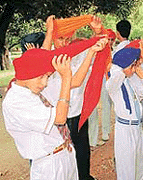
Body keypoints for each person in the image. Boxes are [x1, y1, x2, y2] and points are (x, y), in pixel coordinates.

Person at [40, 15, 109, 180]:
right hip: (59, 121)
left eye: (67, 38)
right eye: (60, 39)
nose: (64, 43)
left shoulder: (76, 54)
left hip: (78, 115)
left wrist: (98, 30)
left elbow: (103, 44)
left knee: (83, 155)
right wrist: (49, 32)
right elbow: (75, 81)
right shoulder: (47, 62)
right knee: (65, 162)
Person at [2, 50, 76, 179]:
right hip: (48, 165)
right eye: (41, 77)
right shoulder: (16, 101)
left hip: (64, 153)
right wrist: (66, 77)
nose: (45, 83)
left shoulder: (32, 91)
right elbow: (60, 119)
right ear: (27, 74)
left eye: (47, 77)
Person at [107, 47, 143, 180]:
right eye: (135, 65)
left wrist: (141, 75)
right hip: (125, 129)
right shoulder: (115, 81)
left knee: (139, 166)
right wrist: (123, 69)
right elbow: (112, 84)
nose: (137, 67)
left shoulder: (132, 79)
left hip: (137, 127)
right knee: (127, 170)